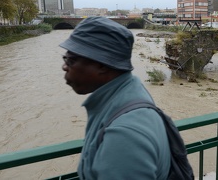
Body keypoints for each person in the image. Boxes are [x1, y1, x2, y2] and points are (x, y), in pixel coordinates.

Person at [60, 16, 170, 179]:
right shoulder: (131, 91)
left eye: (71, 60)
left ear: (102, 65)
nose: (64, 66)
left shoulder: (125, 136)